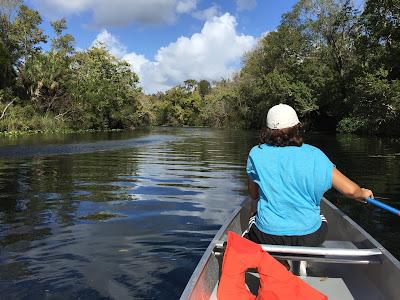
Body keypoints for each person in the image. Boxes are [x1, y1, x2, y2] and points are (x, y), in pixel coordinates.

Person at [244, 103, 373, 253]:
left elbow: (253, 194)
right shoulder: (315, 154)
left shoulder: (256, 153)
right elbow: (351, 191)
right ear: (297, 127)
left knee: (254, 206)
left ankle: (279, 260)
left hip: (268, 236)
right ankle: (300, 258)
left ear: (267, 130)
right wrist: (362, 193)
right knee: (319, 215)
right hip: (309, 237)